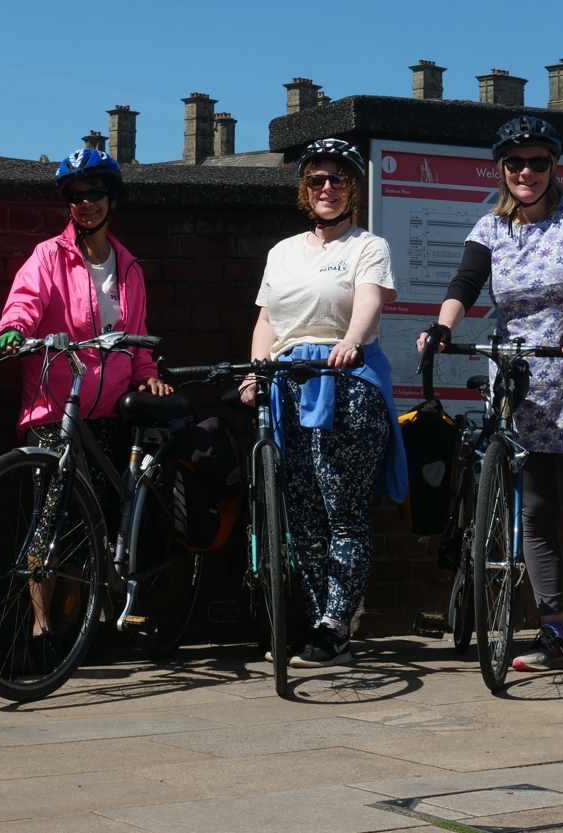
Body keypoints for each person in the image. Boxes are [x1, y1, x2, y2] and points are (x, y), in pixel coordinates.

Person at [417, 116, 563, 684]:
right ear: (502, 169)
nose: (527, 172)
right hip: (519, 380)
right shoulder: (491, 228)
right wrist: (443, 328)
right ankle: (551, 632)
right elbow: (465, 285)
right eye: (516, 163)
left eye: (538, 162)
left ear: (555, 167)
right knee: (538, 516)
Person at [0, 148, 173, 639]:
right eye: (75, 195)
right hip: (55, 409)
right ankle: (41, 627)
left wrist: (148, 374)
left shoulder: (129, 268)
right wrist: (12, 330)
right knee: (52, 518)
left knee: (100, 525)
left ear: (112, 198)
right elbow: (24, 303)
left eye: (94, 193)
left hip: (111, 409)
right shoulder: (49, 256)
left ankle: (84, 624)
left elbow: (137, 337)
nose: (85, 202)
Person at [243, 138, 407, 668]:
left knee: (343, 508)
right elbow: (268, 320)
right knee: (304, 515)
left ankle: (337, 622)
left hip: (346, 378)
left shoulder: (368, 246)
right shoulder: (283, 252)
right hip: (288, 381)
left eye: (338, 179)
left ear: (353, 188)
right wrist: (254, 372)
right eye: (317, 179)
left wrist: (350, 342)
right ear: (304, 189)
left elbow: (368, 303)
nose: (328, 188)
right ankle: (319, 621)